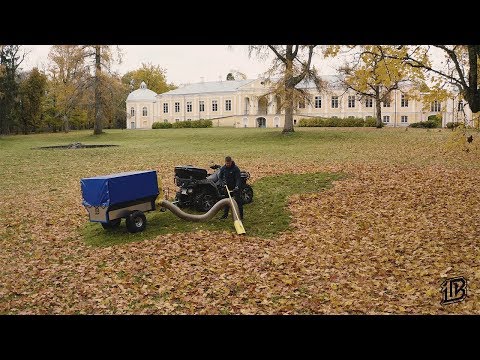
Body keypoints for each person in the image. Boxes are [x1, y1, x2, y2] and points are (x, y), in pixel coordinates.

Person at [218, 156, 243, 220]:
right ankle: (225, 215)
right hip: (227, 187)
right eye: (226, 163)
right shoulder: (223, 168)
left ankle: (241, 216)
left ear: (231, 162)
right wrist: (222, 183)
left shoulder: (236, 169)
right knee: (227, 201)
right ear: (225, 162)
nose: (228, 164)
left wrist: (237, 187)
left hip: (235, 187)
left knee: (238, 202)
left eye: (229, 163)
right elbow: (220, 177)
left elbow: (238, 179)